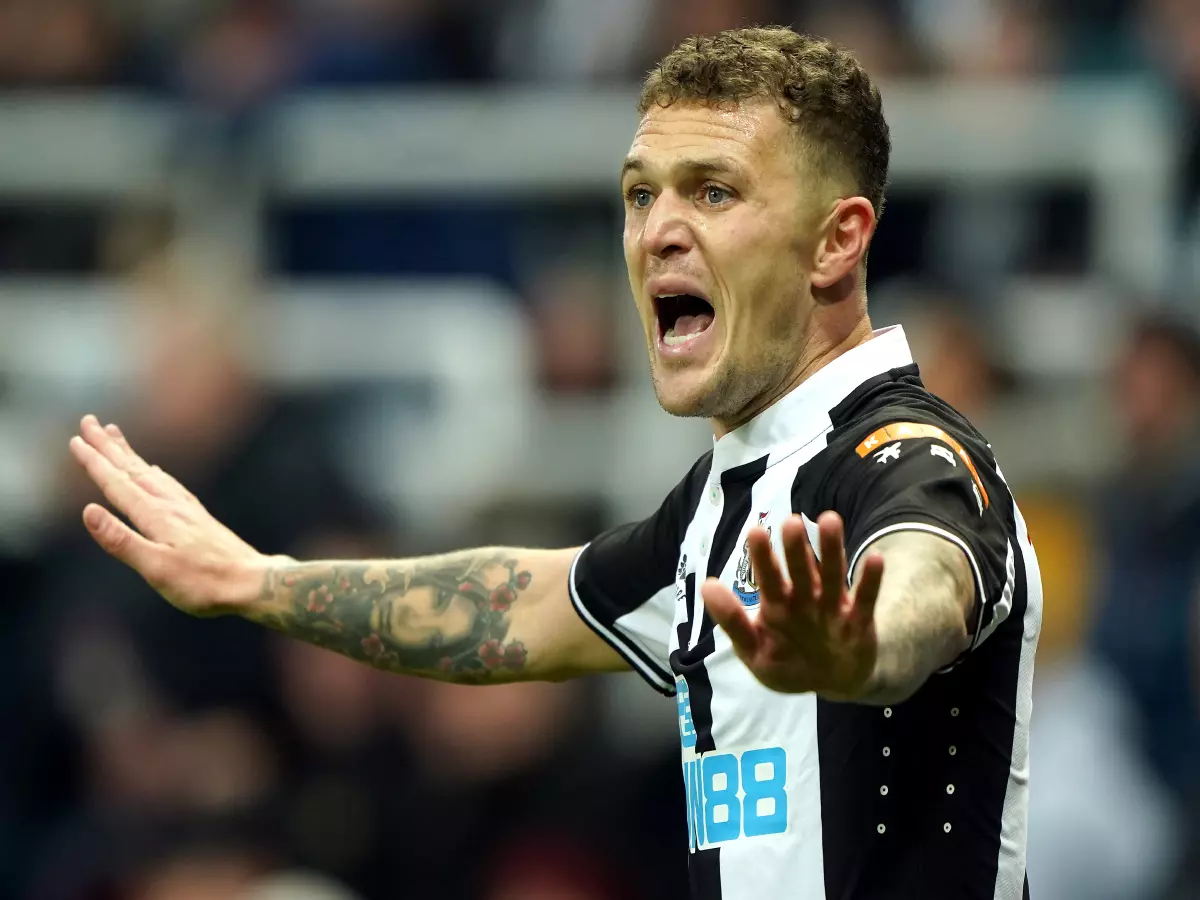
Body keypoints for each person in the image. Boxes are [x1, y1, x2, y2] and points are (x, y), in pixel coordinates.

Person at [68, 26, 1042, 900]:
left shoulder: (909, 454)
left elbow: (923, 582)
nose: (659, 227)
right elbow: (524, 603)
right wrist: (259, 581)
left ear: (837, 241)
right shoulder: (717, 509)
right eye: (639, 193)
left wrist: (860, 646)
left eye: (714, 190)